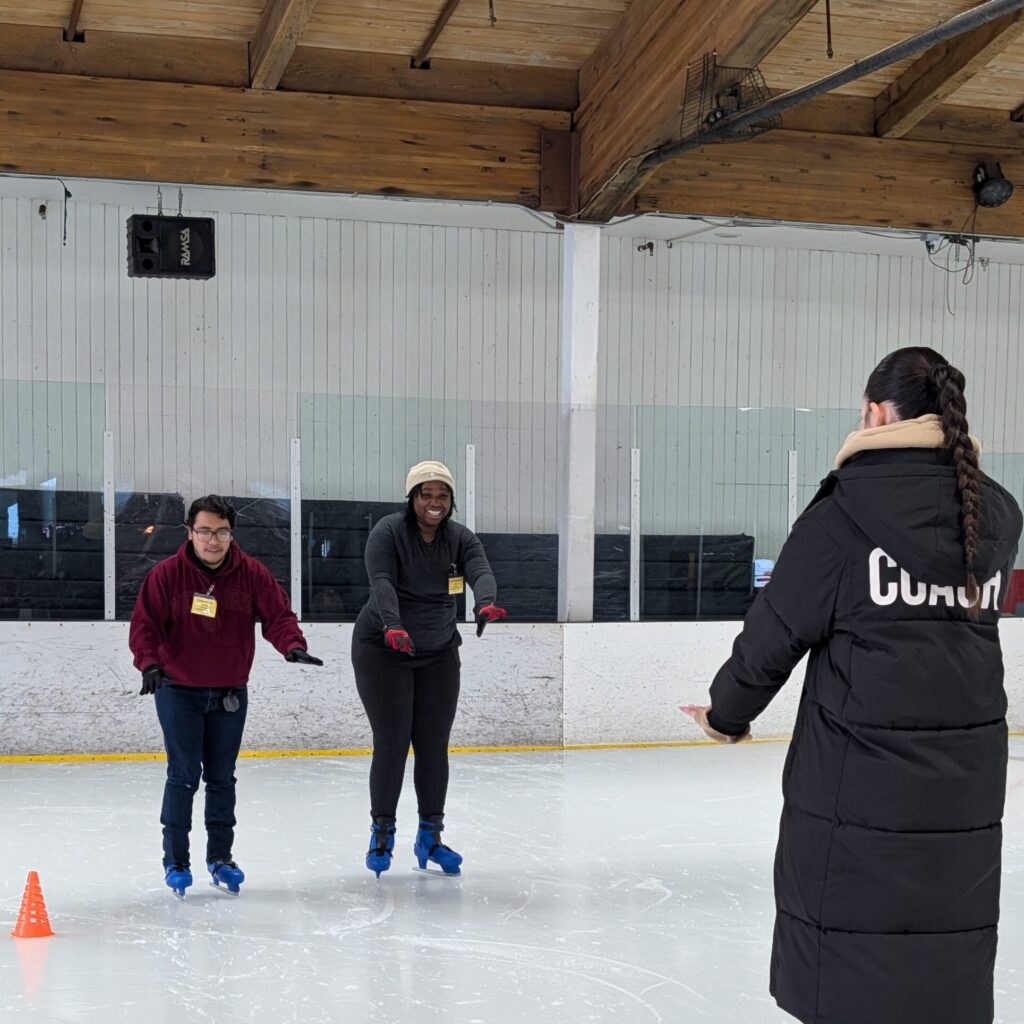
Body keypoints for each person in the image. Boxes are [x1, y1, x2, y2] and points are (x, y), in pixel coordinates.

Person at [681, 347, 1022, 1024]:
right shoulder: (998, 514)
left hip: (856, 783)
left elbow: (772, 637)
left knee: (848, 973)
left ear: (872, 411)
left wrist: (726, 714)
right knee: (941, 963)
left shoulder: (842, 517)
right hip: (965, 783)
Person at [129, 494, 322, 897]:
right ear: (189, 532)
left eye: (221, 532)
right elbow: (145, 626)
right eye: (204, 531)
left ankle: (220, 858)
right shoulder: (165, 576)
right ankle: (176, 861)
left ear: (231, 535)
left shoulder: (251, 574)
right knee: (183, 777)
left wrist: (292, 645)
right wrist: (148, 663)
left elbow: (278, 616)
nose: (212, 540)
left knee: (222, 779)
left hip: (230, 693)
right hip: (179, 691)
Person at [351, 460, 506, 877]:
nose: (434, 502)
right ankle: (381, 833)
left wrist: (484, 601)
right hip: (382, 647)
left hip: (437, 650)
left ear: (451, 501)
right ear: (412, 498)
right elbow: (380, 581)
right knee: (393, 741)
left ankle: (430, 837)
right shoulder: (389, 532)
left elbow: (480, 570)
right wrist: (392, 625)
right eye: (426, 494)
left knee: (433, 745)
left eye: (442, 495)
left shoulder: (459, 538)